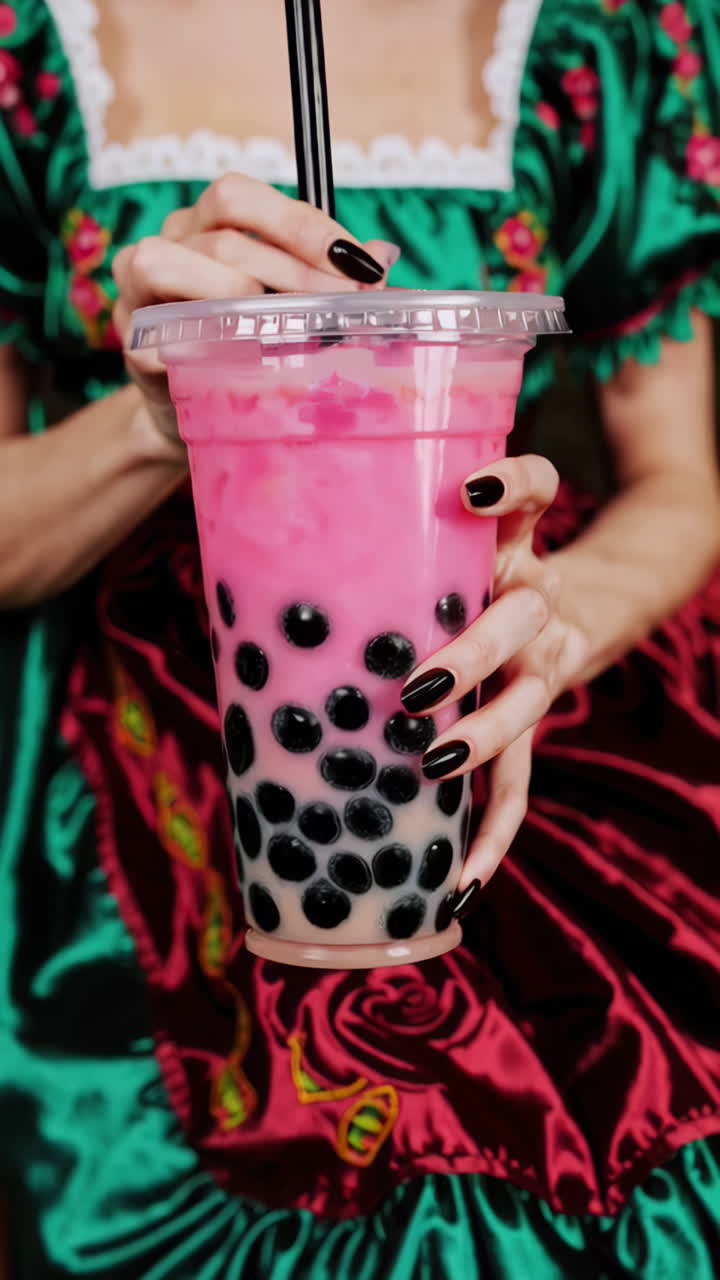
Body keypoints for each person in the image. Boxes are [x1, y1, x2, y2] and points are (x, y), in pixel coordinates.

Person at [1, 0, 719, 1274]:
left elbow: (686, 484)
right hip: (147, 745)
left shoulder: (604, 35)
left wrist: (547, 637)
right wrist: (155, 422)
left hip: (498, 664)